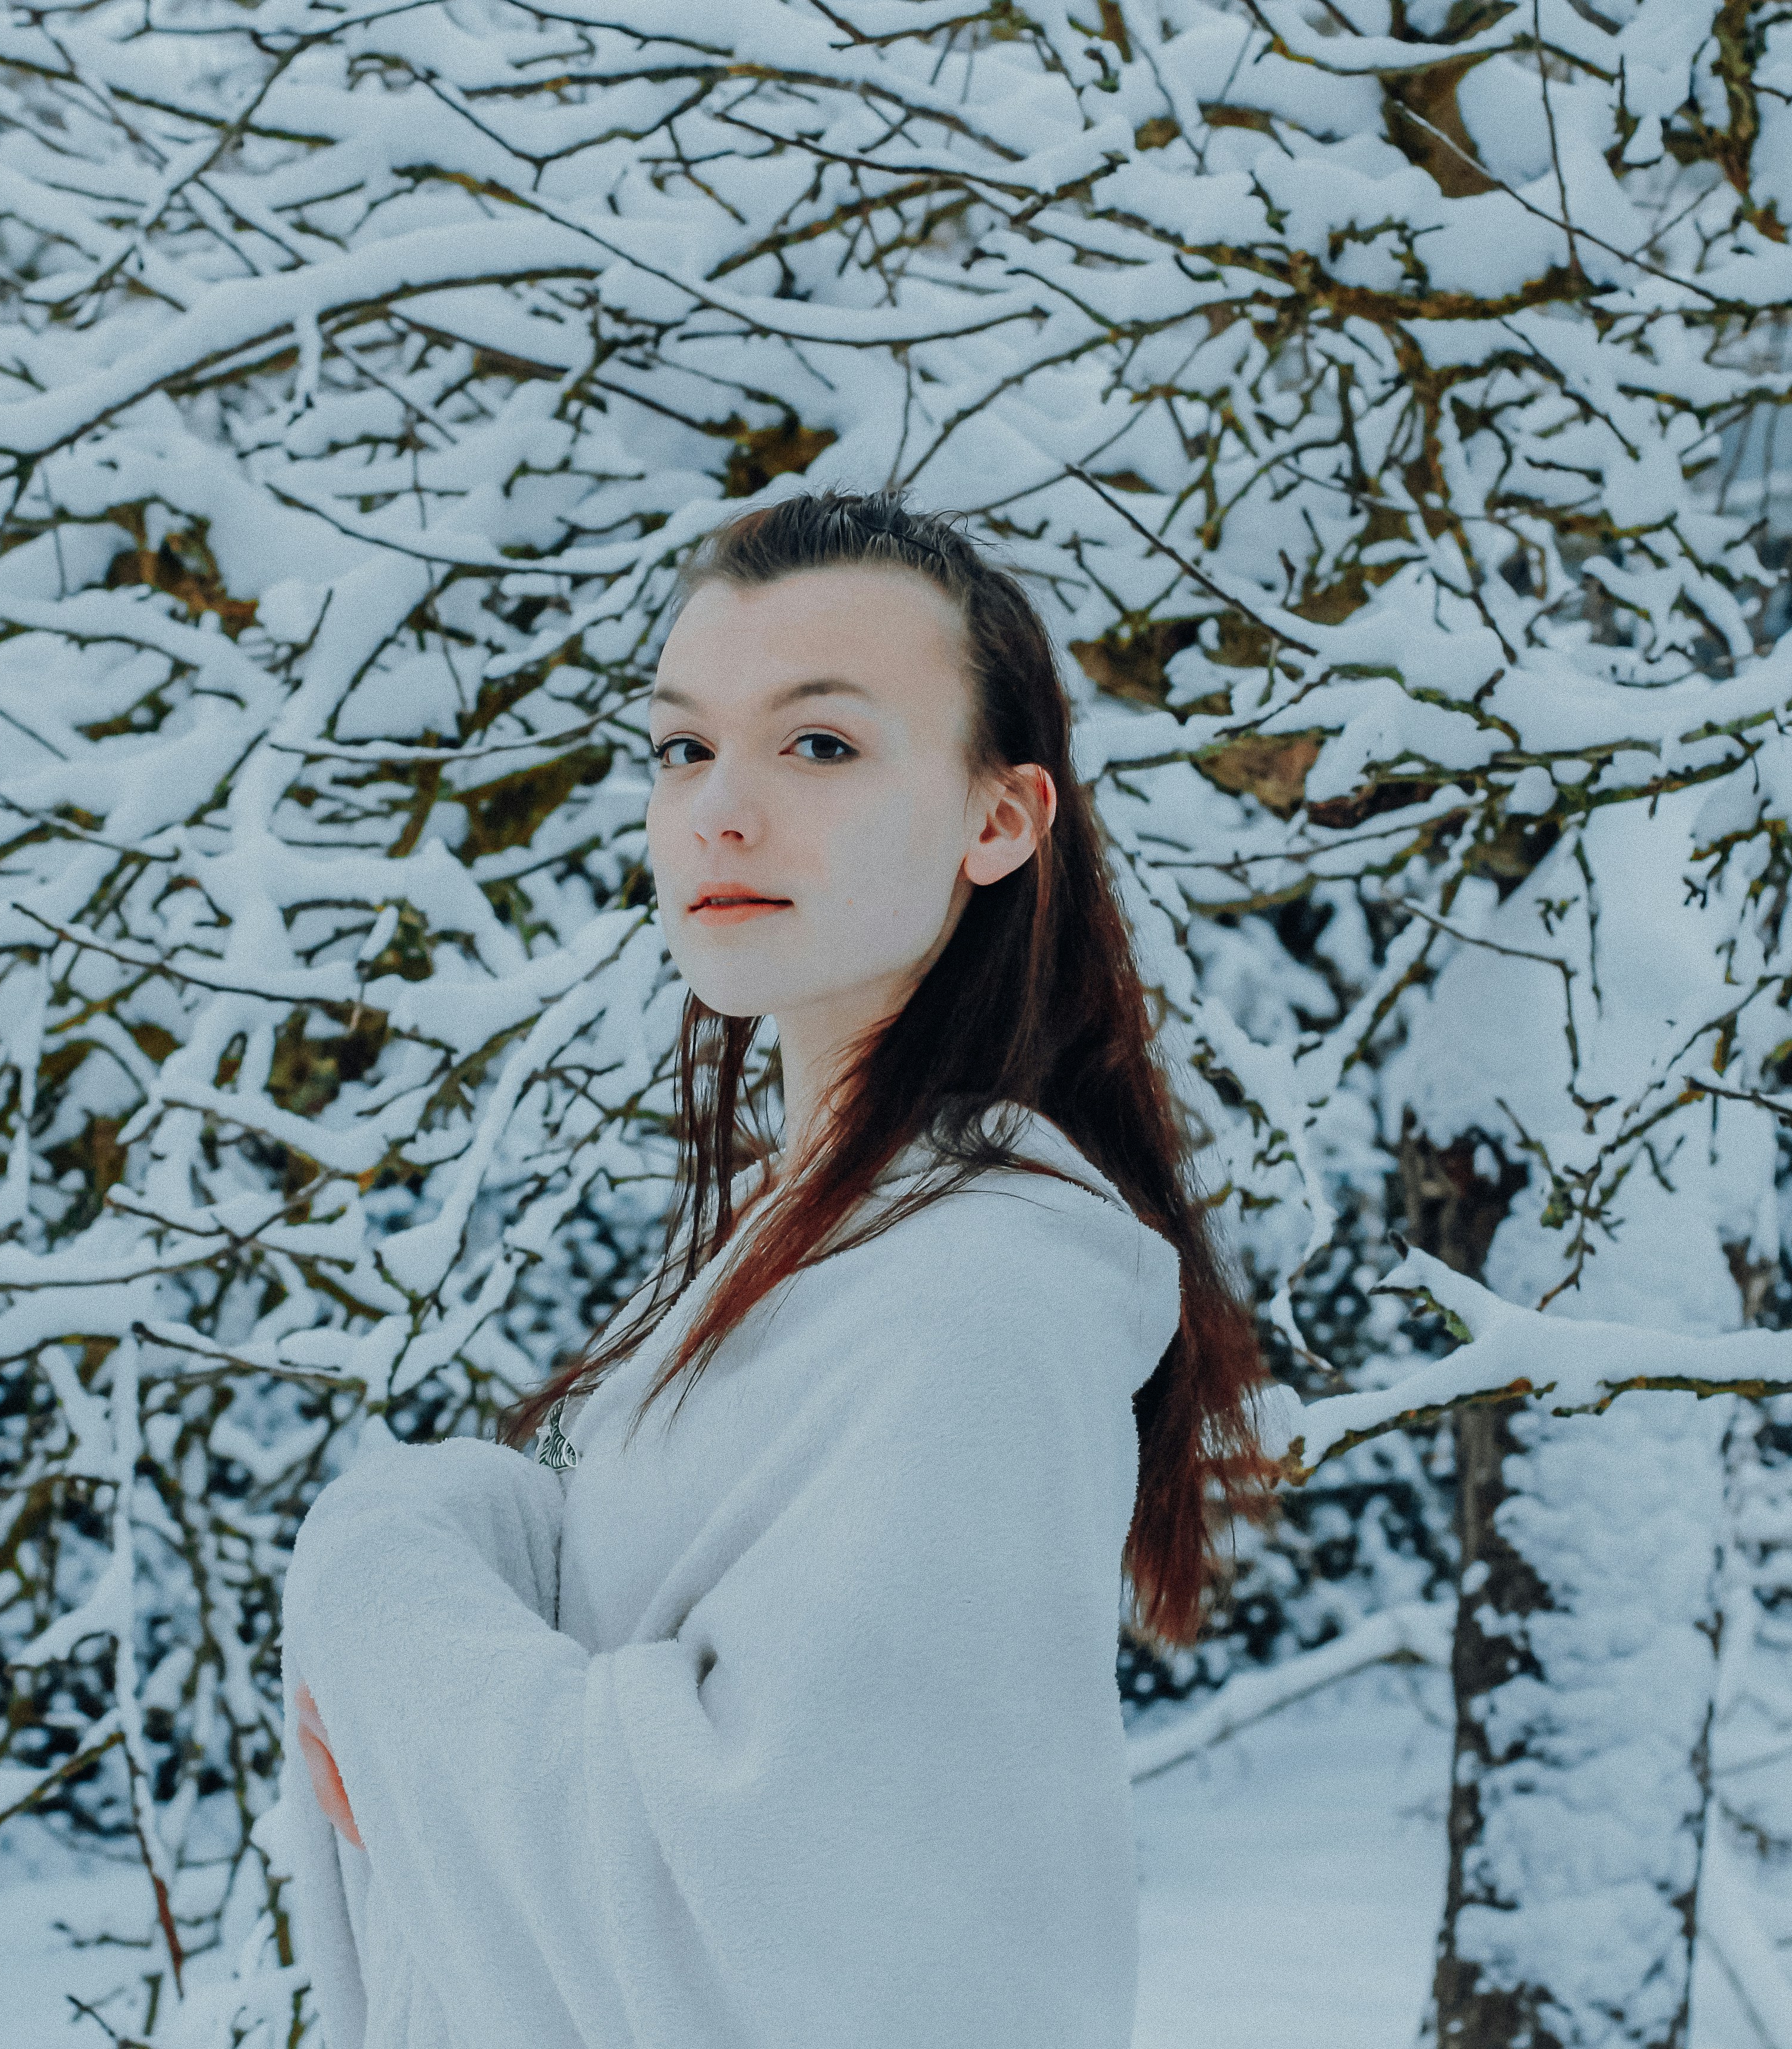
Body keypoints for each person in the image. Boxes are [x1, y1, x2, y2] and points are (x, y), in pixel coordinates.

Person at [263, 488, 1282, 2048]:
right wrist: (434, 1523)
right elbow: (628, 1611)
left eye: (820, 746)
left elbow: (790, 1935)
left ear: (999, 819)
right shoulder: (802, 1234)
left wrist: (385, 1616)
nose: (720, 814)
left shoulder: (972, 1302)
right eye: (683, 747)